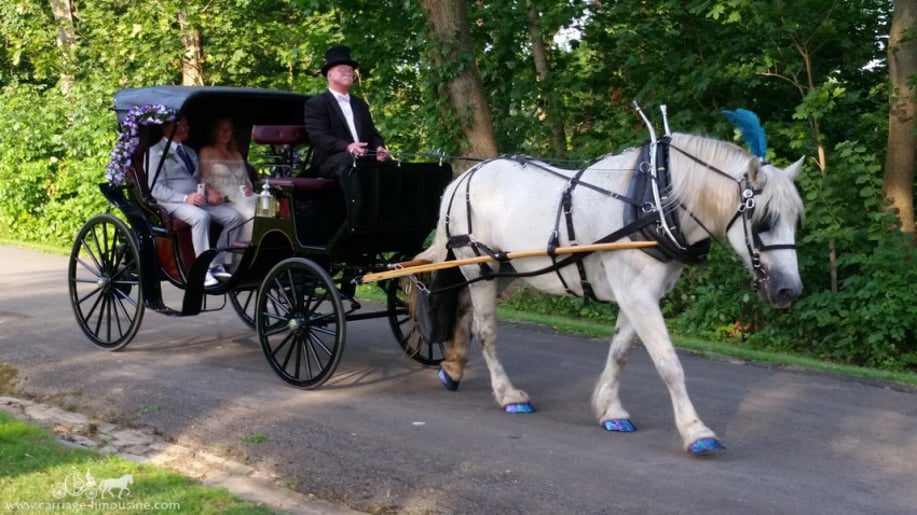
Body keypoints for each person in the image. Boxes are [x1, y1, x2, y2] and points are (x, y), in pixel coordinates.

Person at [146, 115, 244, 287]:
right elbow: (156, 189)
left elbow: (198, 178)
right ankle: (202, 270)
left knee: (234, 216)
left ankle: (217, 263)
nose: (187, 128)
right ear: (167, 128)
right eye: (183, 125)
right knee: (201, 217)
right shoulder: (155, 152)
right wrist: (185, 198)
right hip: (172, 203)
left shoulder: (190, 152)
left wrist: (209, 192)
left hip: (196, 200)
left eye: (187, 124)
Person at [304, 45, 390, 178]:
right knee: (350, 160)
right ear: (330, 75)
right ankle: (357, 200)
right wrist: (347, 147)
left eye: (350, 70)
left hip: (362, 159)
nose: (348, 73)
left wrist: (379, 148)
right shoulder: (317, 104)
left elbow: (373, 135)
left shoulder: (360, 105)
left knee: (393, 166)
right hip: (330, 162)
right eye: (342, 70)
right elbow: (319, 136)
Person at [198, 117, 256, 242]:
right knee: (251, 214)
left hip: (241, 195)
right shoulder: (207, 152)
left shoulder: (236, 154)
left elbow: (246, 180)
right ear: (215, 132)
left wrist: (247, 188)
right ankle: (240, 256)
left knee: (267, 207)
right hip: (222, 198)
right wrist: (211, 191)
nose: (225, 133)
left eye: (228, 130)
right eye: (221, 129)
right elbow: (202, 179)